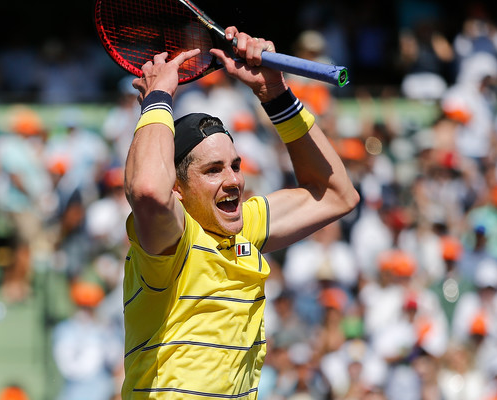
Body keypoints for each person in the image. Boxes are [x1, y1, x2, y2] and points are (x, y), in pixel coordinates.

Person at [121, 26, 359, 399]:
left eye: (235, 165)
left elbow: (336, 194)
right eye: (213, 170)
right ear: (178, 190)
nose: (233, 180)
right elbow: (149, 190)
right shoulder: (169, 243)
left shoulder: (244, 226)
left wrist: (275, 95)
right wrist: (158, 99)